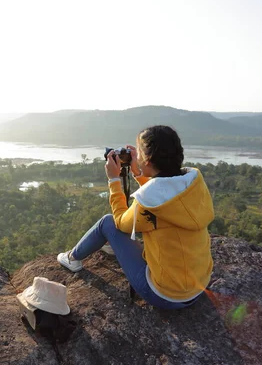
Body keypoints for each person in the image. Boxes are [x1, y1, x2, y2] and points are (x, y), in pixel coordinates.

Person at [57, 125, 214, 309]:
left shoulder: (149, 203)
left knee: (107, 223)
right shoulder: (193, 182)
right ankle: (112, 247)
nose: (135, 156)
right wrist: (139, 174)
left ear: (147, 160)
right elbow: (163, 192)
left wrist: (113, 180)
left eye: (138, 152)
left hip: (167, 296)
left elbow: (120, 223)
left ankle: (72, 258)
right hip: (200, 284)